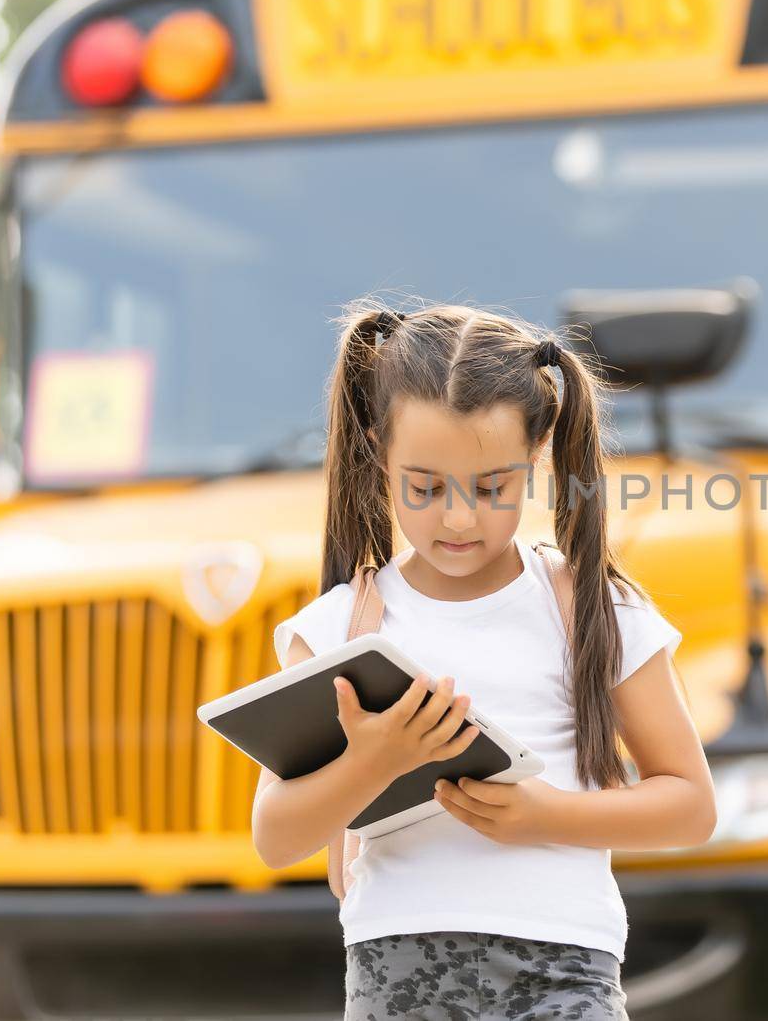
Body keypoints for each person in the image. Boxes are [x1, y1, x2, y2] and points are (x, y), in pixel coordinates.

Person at [249, 299, 717, 1021]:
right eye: (426, 487)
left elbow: (690, 805)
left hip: (563, 971)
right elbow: (275, 836)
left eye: (492, 487)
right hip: (395, 974)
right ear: (378, 452)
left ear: (536, 460)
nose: (460, 518)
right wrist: (374, 760)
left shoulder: (592, 607)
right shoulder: (340, 626)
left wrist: (544, 815)